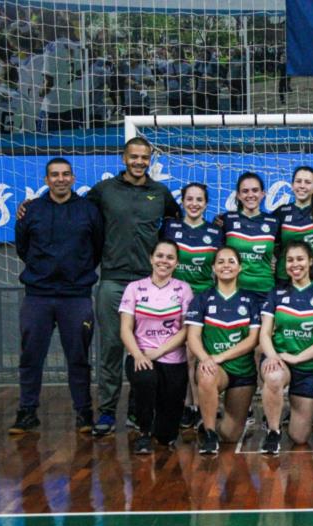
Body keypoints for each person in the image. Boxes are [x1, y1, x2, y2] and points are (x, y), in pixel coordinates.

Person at [87, 137, 182, 437]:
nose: (139, 162)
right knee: (113, 346)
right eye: (134, 156)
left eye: (144, 157)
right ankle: (106, 410)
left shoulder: (160, 192)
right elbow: (77, 216)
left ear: (150, 159)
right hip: (113, 280)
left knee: (144, 346)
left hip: (148, 284)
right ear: (123, 158)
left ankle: (136, 411)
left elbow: (181, 222)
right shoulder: (104, 191)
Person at [10, 157, 103, 434]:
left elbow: (96, 248)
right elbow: (23, 248)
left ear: (73, 179)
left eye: (65, 174)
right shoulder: (31, 211)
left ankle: (84, 413)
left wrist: (77, 273)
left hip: (76, 296)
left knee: (78, 357)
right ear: (46, 180)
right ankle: (27, 412)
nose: (60, 179)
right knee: (31, 356)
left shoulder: (89, 211)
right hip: (38, 296)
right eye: (54, 175)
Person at [258, 241, 313, 455]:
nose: (295, 264)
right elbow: (264, 333)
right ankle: (273, 431)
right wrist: (273, 357)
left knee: (300, 438)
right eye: (290, 260)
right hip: (280, 359)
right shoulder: (276, 293)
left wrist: (298, 358)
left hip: (307, 366)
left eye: (300, 259)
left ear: (311, 262)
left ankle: (288, 408)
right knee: (273, 377)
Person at [119, 239, 193, 454]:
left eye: (170, 257)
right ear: (151, 259)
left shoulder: (184, 289)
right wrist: (139, 356)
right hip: (141, 355)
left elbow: (186, 329)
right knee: (145, 379)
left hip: (172, 359)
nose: (164, 261)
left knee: (166, 435)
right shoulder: (134, 288)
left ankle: (162, 430)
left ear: (177, 263)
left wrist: (159, 352)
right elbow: (125, 328)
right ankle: (143, 433)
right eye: (160, 256)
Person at [185, 247, 260, 455]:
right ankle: (209, 432)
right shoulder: (202, 298)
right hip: (217, 368)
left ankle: (216, 427)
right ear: (213, 268)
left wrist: (221, 356)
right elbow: (193, 337)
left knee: (230, 436)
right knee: (206, 374)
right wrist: (205, 359)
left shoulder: (251, 300)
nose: (226, 265)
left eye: (231, 261)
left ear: (240, 267)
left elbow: (253, 339)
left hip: (243, 371)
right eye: (220, 261)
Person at [161, 182, 223, 429]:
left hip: (202, 298)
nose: (194, 204)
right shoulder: (169, 228)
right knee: (181, 355)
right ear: (183, 202)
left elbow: (221, 268)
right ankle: (187, 405)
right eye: (190, 199)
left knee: (198, 354)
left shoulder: (215, 232)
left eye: (199, 200)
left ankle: (202, 406)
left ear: (206, 204)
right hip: (175, 298)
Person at [219, 172, 278, 310]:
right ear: (238, 195)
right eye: (245, 191)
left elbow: (282, 252)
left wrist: (277, 263)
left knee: (265, 331)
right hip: (234, 289)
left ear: (263, 194)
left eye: (255, 190)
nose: (250, 195)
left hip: (265, 289)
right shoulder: (227, 220)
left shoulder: (274, 222)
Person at [273, 166, 313, 285]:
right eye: (298, 181)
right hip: (284, 278)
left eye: (307, 182)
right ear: (292, 185)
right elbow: (276, 249)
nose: (302, 185)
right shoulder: (280, 213)